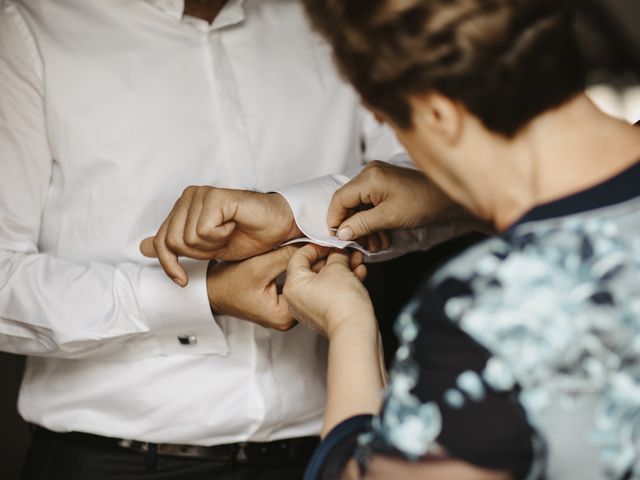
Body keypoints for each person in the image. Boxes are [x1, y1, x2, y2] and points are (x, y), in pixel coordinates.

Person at [0, 1, 469, 478]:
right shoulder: (28, 25)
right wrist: (206, 295)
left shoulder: (332, 16)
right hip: (111, 462)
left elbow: (462, 184)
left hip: (320, 450)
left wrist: (292, 213)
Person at [279, 0, 640, 478]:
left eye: (396, 123)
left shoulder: (490, 308)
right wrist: (449, 202)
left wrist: (349, 328)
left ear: (438, 114)